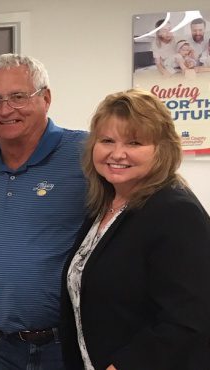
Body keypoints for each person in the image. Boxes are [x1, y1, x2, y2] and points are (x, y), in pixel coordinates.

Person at [60, 89, 210, 369]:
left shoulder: (175, 211)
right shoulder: (104, 205)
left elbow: (189, 321)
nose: (117, 153)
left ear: (162, 149)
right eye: (107, 140)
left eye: (135, 142)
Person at [0, 54, 88, 369]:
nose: (5, 110)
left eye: (18, 97)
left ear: (45, 98)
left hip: (64, 346)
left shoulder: (85, 154)